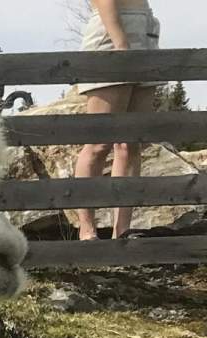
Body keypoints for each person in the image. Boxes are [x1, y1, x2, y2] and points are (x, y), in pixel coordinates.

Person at [72, 0, 162, 241]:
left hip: (145, 27)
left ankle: (122, 230)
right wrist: (121, 43)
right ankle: (87, 229)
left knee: (130, 144)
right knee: (98, 142)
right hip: (112, 31)